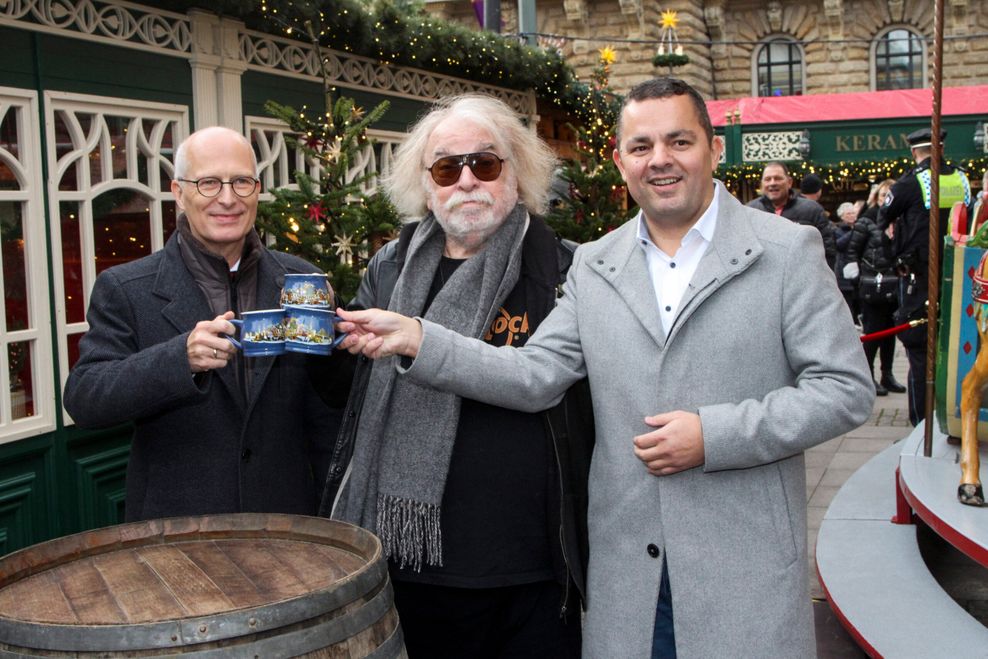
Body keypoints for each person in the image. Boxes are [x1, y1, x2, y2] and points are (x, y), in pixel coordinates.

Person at [335, 78, 874, 658]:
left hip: (739, 562)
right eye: (641, 147)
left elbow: (845, 390)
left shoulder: (786, 250)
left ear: (714, 150)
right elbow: (535, 375)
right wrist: (420, 338)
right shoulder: (595, 264)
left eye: (678, 141)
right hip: (629, 573)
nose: (659, 160)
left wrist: (714, 435)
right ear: (620, 161)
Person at [321, 94, 590, 658]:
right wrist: (326, 345)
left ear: (517, 172)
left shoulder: (566, 268)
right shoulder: (390, 267)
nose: (466, 180)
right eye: (447, 167)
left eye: (484, 164)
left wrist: (419, 338)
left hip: (531, 570)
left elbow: (537, 381)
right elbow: (350, 394)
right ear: (427, 184)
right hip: (412, 565)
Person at [63, 126, 341, 522]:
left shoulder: (302, 282)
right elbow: (85, 398)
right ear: (178, 192)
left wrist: (344, 346)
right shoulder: (126, 288)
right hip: (179, 536)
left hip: (287, 529)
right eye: (208, 183)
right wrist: (179, 359)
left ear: (257, 189)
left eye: (241, 182)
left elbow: (330, 407)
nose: (227, 199)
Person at [878, 127, 971, 425]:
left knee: (919, 352)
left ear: (914, 152)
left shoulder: (909, 183)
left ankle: (922, 425)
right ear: (940, 147)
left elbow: (883, 220)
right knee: (954, 348)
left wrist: (895, 258)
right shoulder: (961, 178)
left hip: (920, 278)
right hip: (958, 276)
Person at [848, 179, 906, 397]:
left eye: (890, 196)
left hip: (894, 283)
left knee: (891, 333)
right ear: (876, 197)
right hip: (873, 285)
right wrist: (856, 276)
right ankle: (867, 376)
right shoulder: (867, 220)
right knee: (873, 332)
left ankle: (887, 374)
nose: (886, 200)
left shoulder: (900, 220)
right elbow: (853, 250)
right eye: (883, 196)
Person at [747, 162, 837, 268]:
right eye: (767, 179)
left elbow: (828, 250)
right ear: (762, 184)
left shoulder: (812, 209)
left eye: (778, 178)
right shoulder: (750, 211)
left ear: (789, 182)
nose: (772, 183)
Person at [834, 201, 861, 324]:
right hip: (843, 269)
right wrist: (853, 232)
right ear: (842, 216)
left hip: (858, 268)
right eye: (848, 213)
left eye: (853, 213)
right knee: (847, 299)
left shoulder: (860, 228)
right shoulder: (837, 230)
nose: (851, 216)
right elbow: (839, 245)